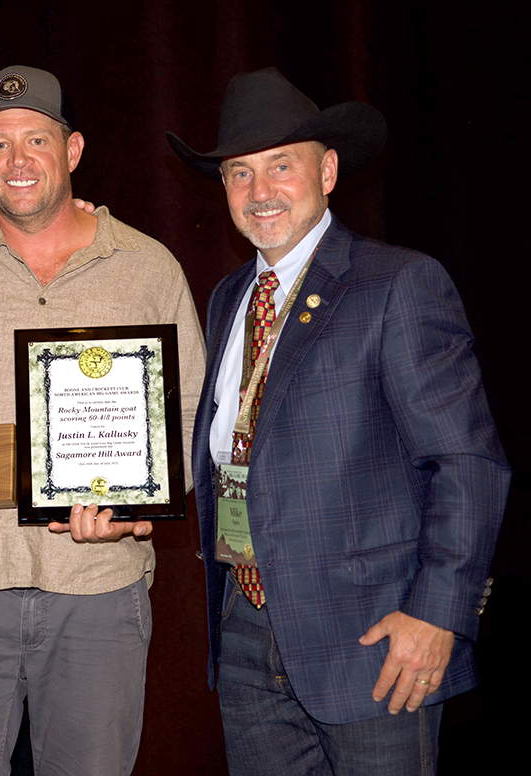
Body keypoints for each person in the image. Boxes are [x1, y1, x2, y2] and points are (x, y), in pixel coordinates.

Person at [166, 67, 508, 774]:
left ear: (326, 170)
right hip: (245, 634)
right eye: (238, 173)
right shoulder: (230, 297)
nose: (259, 193)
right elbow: (232, 450)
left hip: (375, 645)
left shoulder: (398, 284)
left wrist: (439, 613)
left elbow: (467, 464)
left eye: (280, 167)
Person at [0, 66, 206, 775]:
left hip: (99, 591)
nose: (16, 161)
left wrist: (143, 509)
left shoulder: (147, 268)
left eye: (35, 140)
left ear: (73, 149)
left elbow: (187, 417)